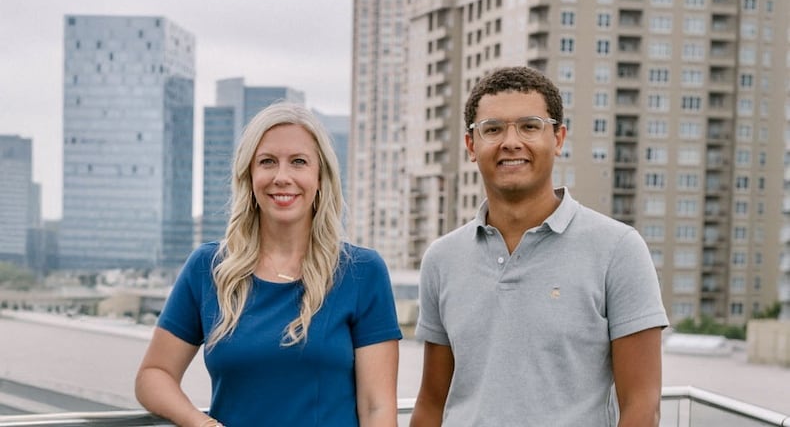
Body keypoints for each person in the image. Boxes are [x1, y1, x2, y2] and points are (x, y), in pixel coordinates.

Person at [409, 66, 669, 427]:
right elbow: (431, 404)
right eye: (493, 129)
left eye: (530, 126)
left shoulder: (619, 249)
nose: (511, 142)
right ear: (471, 145)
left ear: (558, 138)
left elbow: (642, 405)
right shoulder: (441, 258)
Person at [136, 102, 402, 427]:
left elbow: (377, 408)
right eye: (267, 162)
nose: (282, 177)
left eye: (299, 162)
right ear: (249, 176)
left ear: (321, 178)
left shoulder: (363, 271)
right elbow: (154, 375)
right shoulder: (208, 268)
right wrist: (201, 423)